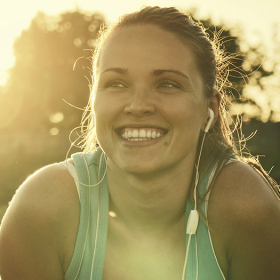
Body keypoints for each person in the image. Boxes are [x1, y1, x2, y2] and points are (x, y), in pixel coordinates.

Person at [0, 6, 280, 280]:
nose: (138, 105)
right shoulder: (41, 211)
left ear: (210, 109)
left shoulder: (245, 208)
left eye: (167, 84)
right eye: (117, 84)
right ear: (94, 101)